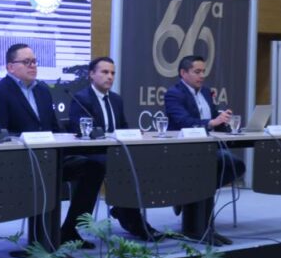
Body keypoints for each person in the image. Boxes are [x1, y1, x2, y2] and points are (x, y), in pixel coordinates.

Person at [0, 44, 97, 249]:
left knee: (94, 167)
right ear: (10, 67)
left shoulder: (43, 90)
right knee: (45, 175)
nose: (33, 66)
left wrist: (67, 137)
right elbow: (0, 132)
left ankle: (69, 228)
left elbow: (53, 127)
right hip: (20, 161)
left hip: (50, 158)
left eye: (34, 62)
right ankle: (40, 243)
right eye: (26, 62)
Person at [69, 57, 161, 241]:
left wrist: (134, 133)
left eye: (112, 73)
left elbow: (123, 127)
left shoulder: (116, 100)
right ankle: (132, 218)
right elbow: (79, 130)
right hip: (90, 153)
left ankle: (127, 212)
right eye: (105, 72)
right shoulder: (81, 98)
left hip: (113, 153)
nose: (110, 77)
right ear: (91, 74)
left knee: (139, 160)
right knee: (112, 166)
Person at [164, 55, 246, 241]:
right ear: (183, 73)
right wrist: (211, 122)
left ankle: (187, 196)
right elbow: (183, 121)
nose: (202, 75)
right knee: (212, 166)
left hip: (208, 147)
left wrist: (224, 119)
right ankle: (196, 219)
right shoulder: (174, 94)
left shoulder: (207, 92)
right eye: (197, 72)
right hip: (183, 149)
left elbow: (214, 119)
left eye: (203, 71)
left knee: (236, 165)